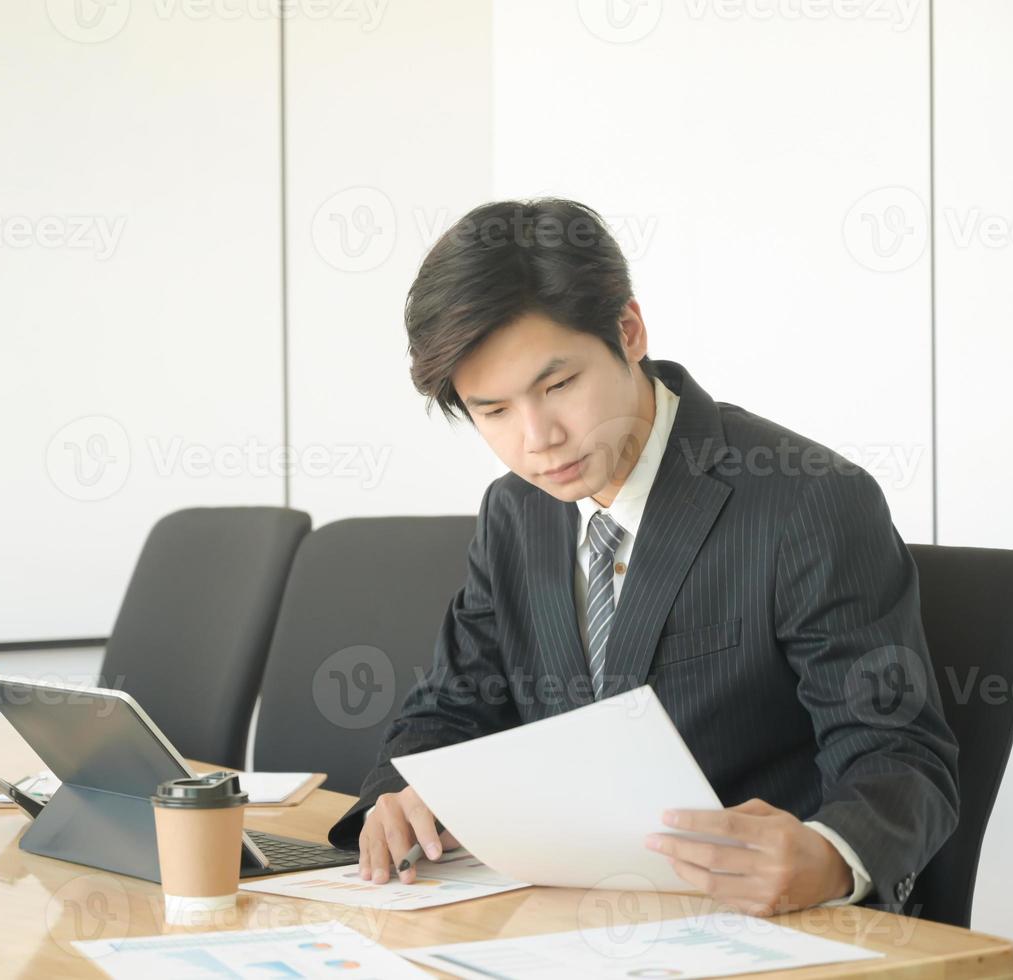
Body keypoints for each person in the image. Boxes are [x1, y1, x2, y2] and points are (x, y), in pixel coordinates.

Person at [325, 198, 959, 917]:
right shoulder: (516, 511)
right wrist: (396, 800)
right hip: (562, 919)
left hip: (756, 929)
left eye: (557, 385)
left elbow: (899, 757)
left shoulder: (805, 501)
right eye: (492, 411)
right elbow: (451, 703)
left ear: (628, 331)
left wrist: (828, 855)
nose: (537, 439)